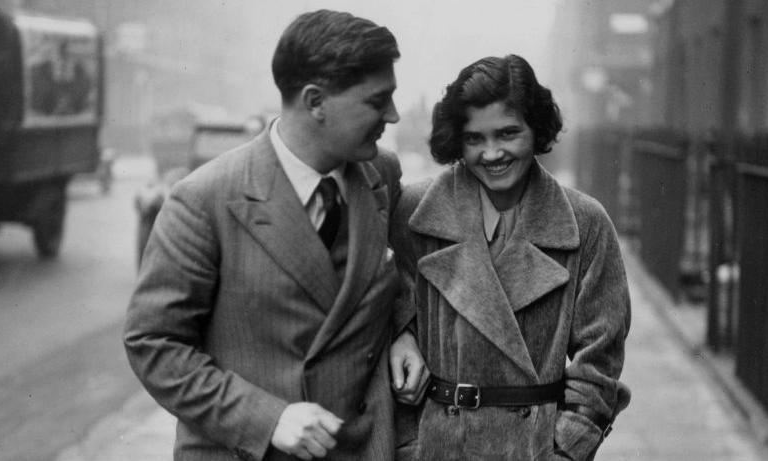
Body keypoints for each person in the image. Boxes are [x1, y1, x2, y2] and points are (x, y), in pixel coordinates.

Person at [124, 10, 424, 461]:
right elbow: (153, 344)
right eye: (376, 101)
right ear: (315, 101)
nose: (394, 115)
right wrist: (266, 419)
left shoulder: (382, 173)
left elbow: (390, 274)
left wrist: (402, 330)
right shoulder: (204, 200)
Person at [390, 54, 631, 460]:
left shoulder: (584, 222)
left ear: (536, 129)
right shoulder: (415, 211)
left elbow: (600, 363)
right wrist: (410, 444)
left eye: (507, 134)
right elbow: (389, 313)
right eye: (474, 138)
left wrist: (565, 450)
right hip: (436, 445)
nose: (492, 153)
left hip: (531, 448)